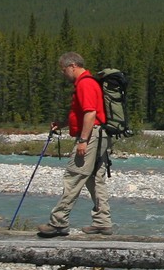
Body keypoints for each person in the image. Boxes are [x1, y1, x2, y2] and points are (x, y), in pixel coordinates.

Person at [37, 52, 114, 238]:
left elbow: (90, 113)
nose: (63, 74)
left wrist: (83, 141)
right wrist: (63, 123)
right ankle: (102, 222)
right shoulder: (87, 83)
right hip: (100, 135)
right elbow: (82, 114)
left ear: (72, 66)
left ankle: (58, 222)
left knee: (74, 175)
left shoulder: (85, 84)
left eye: (63, 70)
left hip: (91, 136)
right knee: (94, 178)